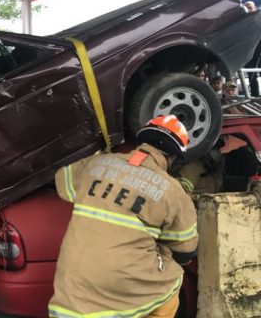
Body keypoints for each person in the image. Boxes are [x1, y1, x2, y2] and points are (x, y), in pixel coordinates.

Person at [49, 115, 197, 318]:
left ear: (142, 141)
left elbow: (61, 181)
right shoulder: (173, 191)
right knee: (171, 287)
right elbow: (185, 251)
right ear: (172, 158)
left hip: (69, 292)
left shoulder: (96, 163)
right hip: (121, 290)